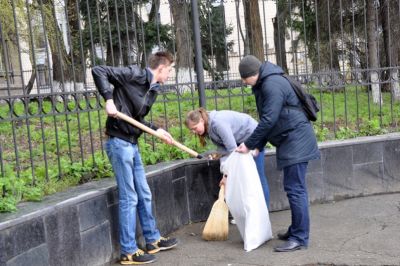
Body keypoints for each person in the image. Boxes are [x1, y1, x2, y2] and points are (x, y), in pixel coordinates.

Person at [92, 51, 178, 265]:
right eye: (170, 70)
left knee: (143, 193)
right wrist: (109, 99)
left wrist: (157, 130)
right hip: (119, 144)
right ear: (161, 68)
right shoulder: (134, 75)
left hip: (132, 142)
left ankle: (152, 239)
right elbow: (98, 70)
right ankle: (128, 251)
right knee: (129, 197)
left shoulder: (152, 89)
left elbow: (136, 119)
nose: (170, 74)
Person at [236, 55, 320, 252]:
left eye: (244, 77)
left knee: (295, 189)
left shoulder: (271, 84)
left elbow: (269, 119)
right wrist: (259, 145)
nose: (243, 82)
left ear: (252, 74)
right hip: (291, 139)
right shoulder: (269, 80)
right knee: (294, 188)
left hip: (296, 139)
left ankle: (300, 237)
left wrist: (249, 144)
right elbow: (272, 119)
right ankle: (296, 230)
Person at [185, 108, 270, 209]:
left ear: (202, 121)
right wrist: (224, 167)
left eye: (195, 128)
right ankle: (246, 214)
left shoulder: (217, 124)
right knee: (242, 180)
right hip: (239, 141)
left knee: (258, 176)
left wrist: (226, 176)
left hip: (253, 138)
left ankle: (263, 212)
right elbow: (223, 148)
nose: (194, 132)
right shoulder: (209, 126)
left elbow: (232, 151)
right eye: (192, 130)